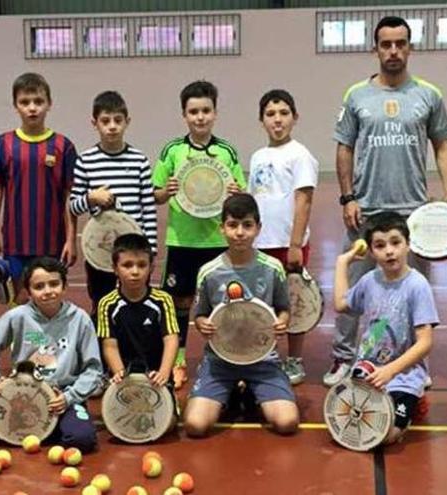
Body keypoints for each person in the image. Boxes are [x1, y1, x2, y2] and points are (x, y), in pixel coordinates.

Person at [326, 15, 447, 386]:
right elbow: (344, 148)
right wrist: (348, 196)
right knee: (353, 289)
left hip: (413, 213)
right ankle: (342, 358)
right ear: (376, 49)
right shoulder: (356, 96)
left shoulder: (428, 95)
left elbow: (442, 145)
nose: (394, 51)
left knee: (414, 295)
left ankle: (414, 365)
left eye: (400, 44)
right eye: (386, 44)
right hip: (364, 211)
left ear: (410, 47)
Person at [152, 80, 247, 389]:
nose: (200, 117)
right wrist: (164, 192)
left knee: (225, 303)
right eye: (194, 111)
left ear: (215, 113)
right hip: (182, 241)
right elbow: (154, 192)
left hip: (218, 242)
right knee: (178, 304)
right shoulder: (172, 150)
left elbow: (241, 193)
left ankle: (225, 360)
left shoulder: (226, 152)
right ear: (184, 115)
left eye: (206, 110)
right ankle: (178, 361)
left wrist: (235, 191)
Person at [0, 257, 102, 452]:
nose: (48, 291)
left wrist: (70, 397)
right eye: (39, 286)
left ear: (65, 286)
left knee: (82, 439)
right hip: (21, 396)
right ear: (29, 291)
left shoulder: (80, 319)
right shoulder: (17, 317)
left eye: (54, 284)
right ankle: (47, 430)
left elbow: (93, 369)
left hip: (63, 400)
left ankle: (56, 425)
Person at [184, 194, 299, 437]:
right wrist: (203, 325)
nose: (239, 232)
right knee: (195, 426)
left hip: (263, 359)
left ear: (258, 228)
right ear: (222, 228)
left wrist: (282, 322)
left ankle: (251, 391)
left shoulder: (272, 268)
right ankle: (233, 391)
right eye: (232, 225)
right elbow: (202, 314)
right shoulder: (209, 272)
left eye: (247, 225)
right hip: (220, 361)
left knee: (287, 423)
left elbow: (284, 309)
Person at [333, 212, 437, 444]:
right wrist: (342, 262)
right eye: (380, 245)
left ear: (408, 245)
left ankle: (413, 402)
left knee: (385, 435)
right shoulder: (369, 281)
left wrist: (390, 371)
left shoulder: (418, 286)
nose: (389, 250)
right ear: (370, 252)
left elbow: (425, 342)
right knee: (351, 427)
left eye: (395, 242)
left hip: (402, 375)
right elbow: (341, 303)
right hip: (368, 371)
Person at [0, 72, 78, 306]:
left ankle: (48, 343)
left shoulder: (64, 146)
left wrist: (71, 239)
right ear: (15, 106)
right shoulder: (3, 144)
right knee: (20, 298)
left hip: (53, 241)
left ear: (49, 104)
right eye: (25, 102)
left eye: (38, 102)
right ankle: (24, 342)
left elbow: (70, 196)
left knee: (50, 299)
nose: (32, 108)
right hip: (16, 240)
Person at [248, 89, 319, 386]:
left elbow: (304, 200)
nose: (277, 120)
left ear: (295, 117)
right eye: (271, 114)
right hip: (259, 244)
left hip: (288, 245)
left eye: (284, 113)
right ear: (261, 120)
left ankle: (294, 359)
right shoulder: (257, 156)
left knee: (293, 303)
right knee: (262, 303)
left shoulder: (300, 155)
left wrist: (294, 244)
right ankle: (266, 355)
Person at [70, 91, 158, 315]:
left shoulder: (139, 160)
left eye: (118, 121)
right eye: (105, 121)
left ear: (127, 122)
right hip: (101, 250)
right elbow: (73, 206)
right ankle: (101, 348)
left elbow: (147, 207)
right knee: (102, 303)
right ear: (94, 123)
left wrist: (151, 249)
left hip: (135, 250)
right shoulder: (85, 161)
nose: (112, 127)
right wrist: (91, 197)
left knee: (136, 302)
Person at [96, 233, 179, 391]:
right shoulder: (107, 304)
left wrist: (164, 373)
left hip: (156, 377)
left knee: (168, 417)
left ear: (151, 267)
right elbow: (110, 345)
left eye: (141, 265)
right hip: (124, 378)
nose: (135, 271)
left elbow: (171, 340)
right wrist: (120, 373)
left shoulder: (163, 300)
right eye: (127, 265)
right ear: (115, 269)